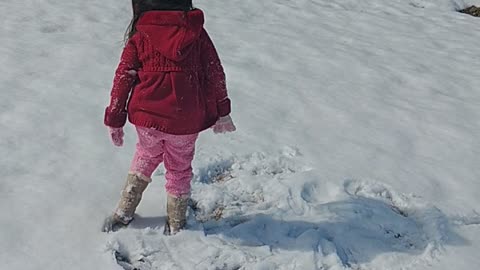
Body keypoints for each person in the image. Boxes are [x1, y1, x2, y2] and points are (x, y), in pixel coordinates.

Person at [102, 0, 236, 235]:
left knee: (145, 155)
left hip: (147, 118)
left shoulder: (141, 34)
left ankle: (124, 211)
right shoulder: (196, 33)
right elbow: (215, 71)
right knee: (179, 169)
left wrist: (115, 118)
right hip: (185, 120)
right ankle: (176, 223)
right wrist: (222, 110)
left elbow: (123, 77)